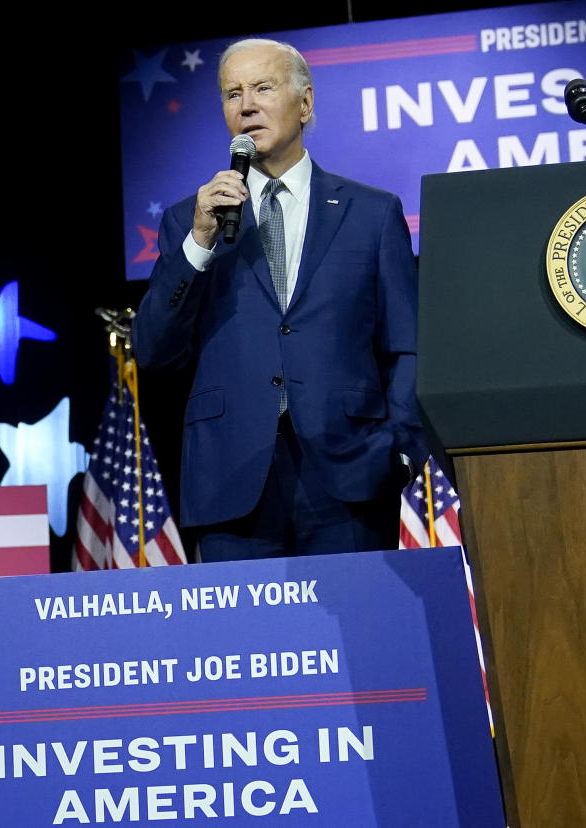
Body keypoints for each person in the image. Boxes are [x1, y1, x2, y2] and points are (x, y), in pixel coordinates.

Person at [133, 38, 423, 563]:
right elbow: (153, 351)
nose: (246, 106)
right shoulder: (189, 221)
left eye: (263, 88)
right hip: (231, 477)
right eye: (232, 94)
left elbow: (410, 345)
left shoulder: (372, 213)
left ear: (305, 103)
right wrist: (198, 245)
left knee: (359, 638)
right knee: (249, 644)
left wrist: (399, 449)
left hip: (352, 474)